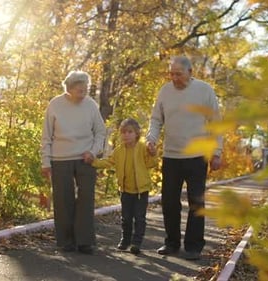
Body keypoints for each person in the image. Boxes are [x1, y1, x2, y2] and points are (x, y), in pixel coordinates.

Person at [146, 55, 222, 261]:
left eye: (178, 74)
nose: (174, 78)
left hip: (197, 157)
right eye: (171, 73)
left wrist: (217, 152)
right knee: (169, 202)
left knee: (196, 203)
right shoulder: (165, 91)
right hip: (171, 155)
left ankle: (194, 246)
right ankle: (171, 243)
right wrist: (151, 139)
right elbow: (155, 119)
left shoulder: (204, 91)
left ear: (190, 72)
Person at [41, 70, 106, 255]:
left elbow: (101, 132)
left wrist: (93, 152)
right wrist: (45, 161)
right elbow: (46, 136)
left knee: (86, 199)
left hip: (85, 159)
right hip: (60, 159)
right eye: (79, 89)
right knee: (63, 200)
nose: (83, 92)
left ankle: (85, 241)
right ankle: (66, 241)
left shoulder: (91, 105)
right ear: (69, 89)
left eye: (85, 89)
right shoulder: (55, 105)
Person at [92, 118, 157, 255]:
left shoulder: (142, 148)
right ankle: (125, 240)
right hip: (125, 190)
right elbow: (108, 162)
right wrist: (93, 162)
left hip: (141, 190)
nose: (126, 135)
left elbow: (151, 164)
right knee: (126, 218)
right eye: (123, 132)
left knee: (139, 218)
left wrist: (152, 154)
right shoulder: (118, 150)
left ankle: (136, 243)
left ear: (136, 133)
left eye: (130, 132)